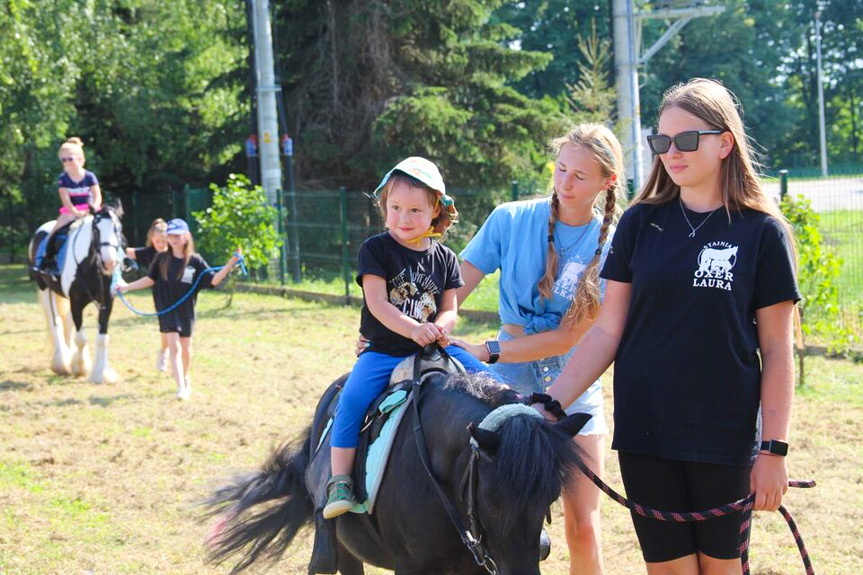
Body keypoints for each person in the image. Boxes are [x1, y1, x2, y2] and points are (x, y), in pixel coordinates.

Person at [534, 79, 800, 575]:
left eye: (686, 139)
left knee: (721, 570)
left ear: (725, 144)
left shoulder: (762, 233)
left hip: (724, 438)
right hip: (645, 435)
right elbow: (608, 331)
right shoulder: (639, 223)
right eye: (662, 141)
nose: (671, 152)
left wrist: (774, 451)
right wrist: (551, 404)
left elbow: (777, 353)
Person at [450, 124, 626, 575]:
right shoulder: (509, 219)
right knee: (498, 521)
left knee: (582, 525)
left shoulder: (613, 243)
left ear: (607, 182)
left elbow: (569, 338)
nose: (565, 183)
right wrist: (415, 328)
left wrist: (488, 348)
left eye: (580, 177)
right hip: (504, 391)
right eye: (561, 168)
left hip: (574, 384)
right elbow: (453, 293)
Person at [323, 156, 496, 520]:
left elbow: (450, 308)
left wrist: (442, 328)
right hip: (384, 351)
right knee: (351, 401)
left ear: (436, 211)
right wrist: (414, 329)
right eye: (395, 207)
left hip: (436, 347)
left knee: (492, 382)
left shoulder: (446, 258)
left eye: (415, 210)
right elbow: (378, 304)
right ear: (384, 207)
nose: (403, 218)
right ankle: (339, 479)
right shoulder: (376, 249)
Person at [117, 219, 241, 400]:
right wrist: (127, 287)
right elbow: (149, 280)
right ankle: (181, 387)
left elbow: (213, 280)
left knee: (186, 348)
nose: (173, 239)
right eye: (171, 236)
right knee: (174, 347)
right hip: (167, 309)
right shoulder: (161, 258)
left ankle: (185, 375)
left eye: (177, 235)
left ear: (187, 237)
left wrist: (231, 263)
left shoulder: (196, 260)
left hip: (186, 310)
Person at [35, 137, 103, 273]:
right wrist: (75, 213)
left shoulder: (89, 176)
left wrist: (93, 209)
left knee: (108, 228)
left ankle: (122, 258)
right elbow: (65, 199)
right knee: (54, 231)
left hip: (90, 210)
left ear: (80, 159)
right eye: (63, 160)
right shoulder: (63, 179)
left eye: (70, 159)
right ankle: (44, 260)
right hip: (70, 212)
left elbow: (97, 196)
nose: (67, 162)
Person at [125, 218, 170, 371]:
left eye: (165, 241)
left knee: (173, 329)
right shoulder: (148, 253)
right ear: (152, 240)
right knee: (165, 327)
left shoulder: (175, 252)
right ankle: (164, 351)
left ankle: (168, 352)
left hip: (177, 294)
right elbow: (126, 252)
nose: (162, 244)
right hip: (160, 295)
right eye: (158, 241)